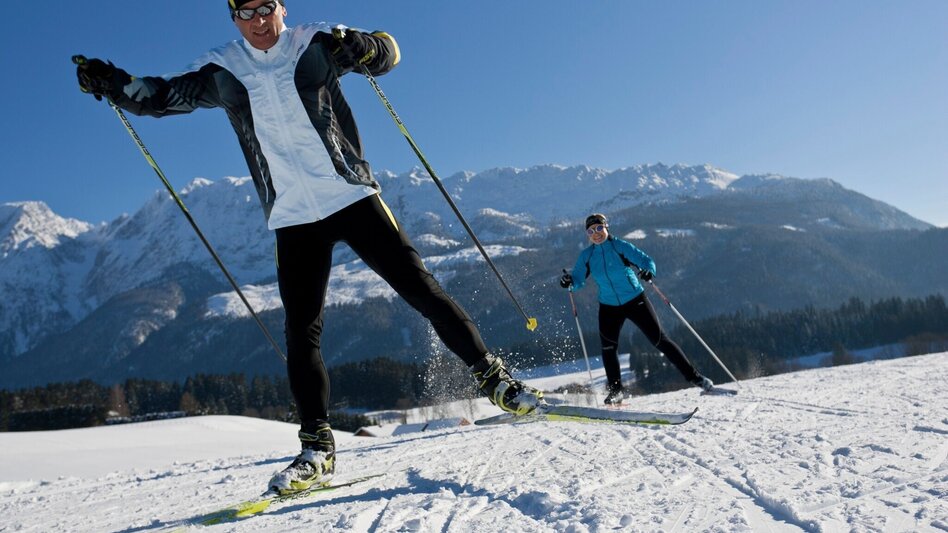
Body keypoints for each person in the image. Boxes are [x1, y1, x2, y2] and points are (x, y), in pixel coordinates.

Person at [76, 0, 542, 494]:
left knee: (421, 290)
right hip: (294, 216)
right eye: (245, 13)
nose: (257, 22)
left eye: (265, 9)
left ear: (282, 8)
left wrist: (365, 45)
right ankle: (316, 449)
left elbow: (389, 54)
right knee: (302, 332)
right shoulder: (221, 69)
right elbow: (160, 96)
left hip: (352, 196)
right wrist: (114, 83)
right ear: (233, 19)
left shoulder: (316, 43)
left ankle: (496, 382)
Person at [559, 213, 713, 404]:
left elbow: (647, 261)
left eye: (599, 228)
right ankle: (616, 391)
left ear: (606, 227)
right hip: (608, 306)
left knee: (659, 340)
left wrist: (649, 271)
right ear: (587, 235)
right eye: (591, 231)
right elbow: (578, 281)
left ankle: (696, 378)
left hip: (634, 300)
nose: (596, 233)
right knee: (608, 348)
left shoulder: (620, 247)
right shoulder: (587, 256)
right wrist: (569, 282)